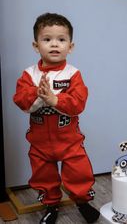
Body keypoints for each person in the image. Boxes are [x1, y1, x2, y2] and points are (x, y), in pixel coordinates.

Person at [13, 12, 100, 224]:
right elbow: (21, 101)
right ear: (36, 46)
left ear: (70, 46)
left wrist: (54, 99)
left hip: (69, 140)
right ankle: (51, 206)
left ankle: (82, 202)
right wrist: (37, 94)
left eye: (61, 40)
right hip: (40, 141)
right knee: (44, 176)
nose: (54, 44)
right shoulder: (29, 75)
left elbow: (78, 103)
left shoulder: (72, 74)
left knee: (79, 173)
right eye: (47, 39)